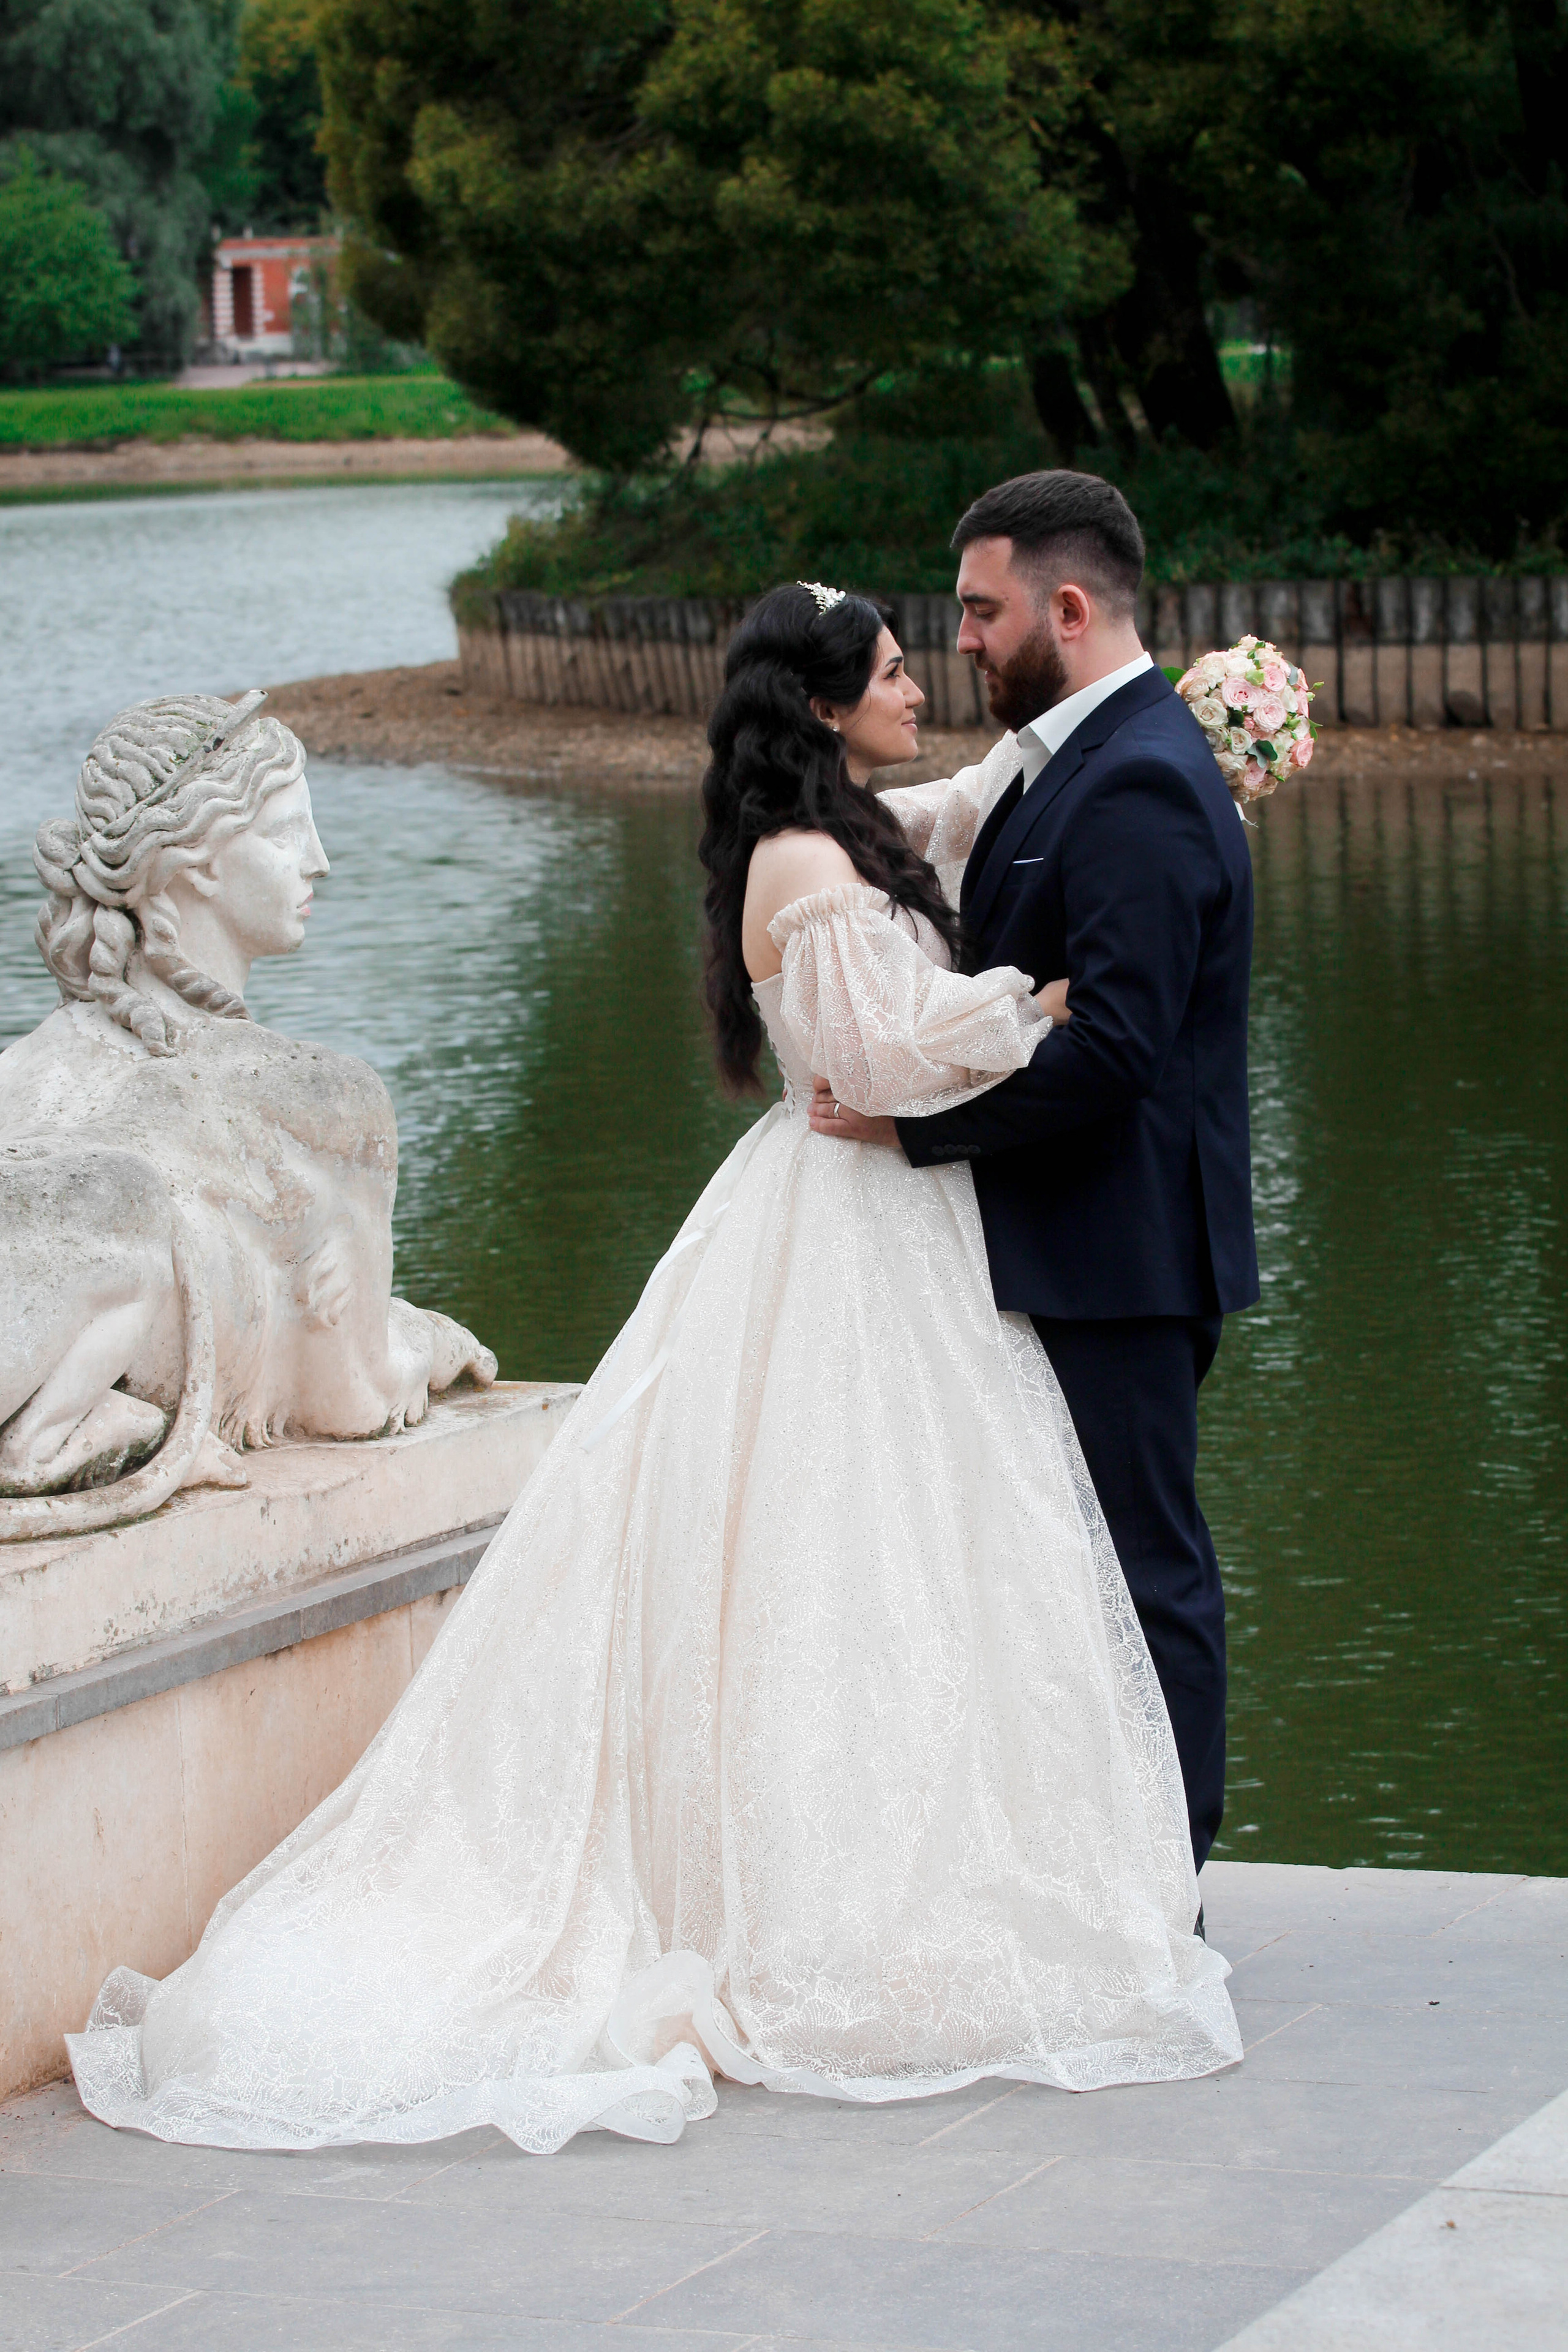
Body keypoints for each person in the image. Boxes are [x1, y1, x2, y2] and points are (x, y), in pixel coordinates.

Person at [68, 582, 1240, 2160]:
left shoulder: (852, 832)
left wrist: (1178, 732)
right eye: (896, 669)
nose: (922, 686)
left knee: (921, 1561)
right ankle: (808, 1897)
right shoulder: (804, 862)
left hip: (896, 1232)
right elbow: (870, 1067)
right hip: (843, 1231)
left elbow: (968, 801)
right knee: (827, 1549)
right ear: (827, 706)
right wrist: (1024, 1008)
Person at [810, 473, 1259, 1880]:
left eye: (978, 611)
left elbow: (1117, 1049)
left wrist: (911, 1129)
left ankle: (1168, 1883)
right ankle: (1096, 1868)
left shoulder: (1132, 777)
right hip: (1066, 1241)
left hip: (1122, 1253)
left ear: (1065, 610)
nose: (959, 641)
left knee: (1143, 1574)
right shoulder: (1061, 760)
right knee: (1068, 1576)